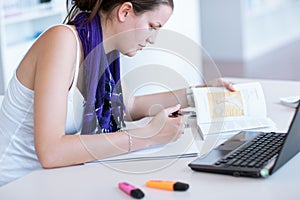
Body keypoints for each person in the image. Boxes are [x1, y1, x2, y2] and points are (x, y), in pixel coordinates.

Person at [0, 0, 234, 186]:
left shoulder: (100, 48)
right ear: (125, 11)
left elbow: (128, 106)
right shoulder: (62, 41)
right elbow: (51, 152)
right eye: (152, 27)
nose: (152, 39)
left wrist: (199, 93)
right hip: (16, 183)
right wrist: (149, 135)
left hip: (51, 179)